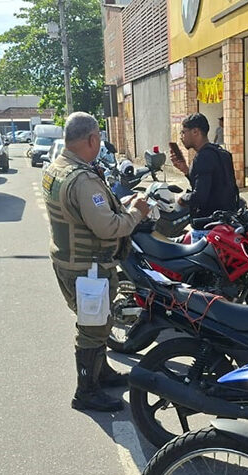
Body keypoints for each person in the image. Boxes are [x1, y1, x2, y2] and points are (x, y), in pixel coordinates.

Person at [43, 112, 149, 412]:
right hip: (87, 267)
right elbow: (108, 227)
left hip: (69, 260)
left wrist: (119, 205)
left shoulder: (57, 168)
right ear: (91, 139)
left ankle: (100, 372)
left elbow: (85, 213)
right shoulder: (82, 179)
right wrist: (136, 213)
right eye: (98, 139)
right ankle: (86, 391)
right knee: (92, 326)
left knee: (99, 322)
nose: (99, 144)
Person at [169, 113, 240, 225]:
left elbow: (199, 197)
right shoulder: (221, 152)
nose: (181, 136)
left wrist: (182, 198)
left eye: (183, 132)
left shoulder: (202, 157)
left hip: (209, 224)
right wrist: (186, 170)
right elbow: (213, 186)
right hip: (227, 221)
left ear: (195, 132)